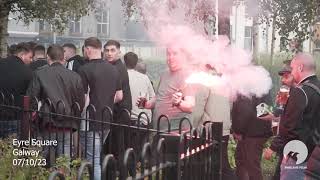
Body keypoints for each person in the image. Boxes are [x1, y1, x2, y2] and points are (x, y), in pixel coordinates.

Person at [264, 53, 320, 180]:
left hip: (297, 154)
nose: (292, 71)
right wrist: (286, 105)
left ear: (300, 68)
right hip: (314, 154)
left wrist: (273, 147)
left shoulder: (300, 91)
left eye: (293, 68)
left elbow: (288, 126)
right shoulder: (317, 87)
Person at [26, 44, 85, 159]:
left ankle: (45, 175)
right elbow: (80, 103)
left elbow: (32, 98)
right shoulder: (75, 76)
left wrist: (32, 118)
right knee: (65, 156)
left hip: (48, 121)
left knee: (45, 154)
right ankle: (63, 175)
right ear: (63, 58)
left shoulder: (40, 74)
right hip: (68, 122)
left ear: (48, 57)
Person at [78, 37, 123, 180]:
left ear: (88, 49)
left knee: (93, 160)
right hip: (107, 119)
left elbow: (84, 99)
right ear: (101, 50)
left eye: (85, 49)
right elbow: (119, 96)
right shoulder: (114, 70)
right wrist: (107, 101)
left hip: (89, 120)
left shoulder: (84, 69)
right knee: (95, 157)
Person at [137, 45, 195, 131]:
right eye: (168, 54)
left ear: (183, 55)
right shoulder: (165, 74)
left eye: (175, 54)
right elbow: (159, 97)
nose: (171, 57)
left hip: (176, 132)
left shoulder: (186, 75)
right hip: (160, 130)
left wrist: (179, 103)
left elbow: (190, 106)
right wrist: (147, 104)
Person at [191, 67, 236, 180]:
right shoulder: (224, 81)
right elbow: (230, 105)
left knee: (217, 166)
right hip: (223, 127)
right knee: (220, 164)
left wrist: (194, 126)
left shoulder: (205, 81)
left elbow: (198, 109)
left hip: (210, 129)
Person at [231, 93, 273, 180]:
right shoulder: (260, 85)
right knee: (241, 159)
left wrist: (237, 130)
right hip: (257, 131)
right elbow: (265, 110)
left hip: (251, 133)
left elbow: (245, 110)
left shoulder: (247, 87)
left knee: (252, 166)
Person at [0, 42, 33, 137]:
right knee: (13, 148)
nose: (31, 60)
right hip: (15, 116)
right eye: (30, 57)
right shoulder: (27, 72)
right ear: (22, 55)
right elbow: (30, 94)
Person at [124, 52, 155, 151]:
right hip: (144, 119)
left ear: (124, 62)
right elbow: (153, 98)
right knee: (142, 149)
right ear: (136, 63)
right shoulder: (145, 78)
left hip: (129, 119)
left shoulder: (123, 76)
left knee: (128, 151)